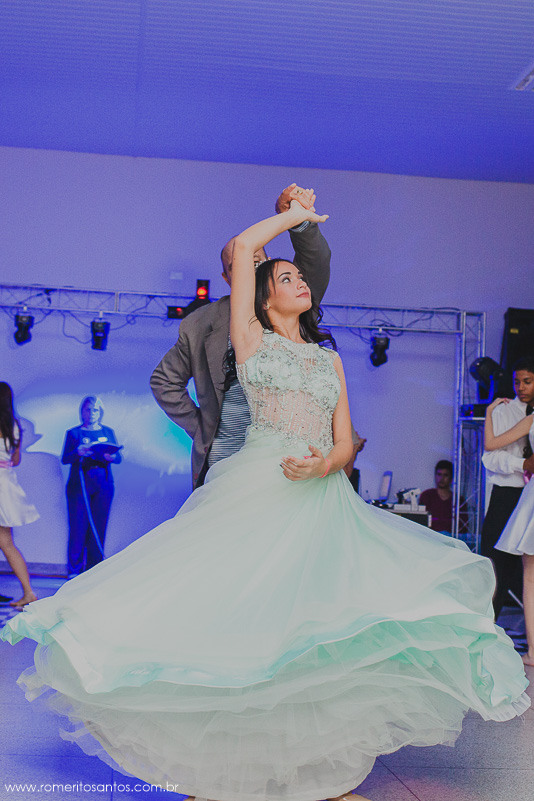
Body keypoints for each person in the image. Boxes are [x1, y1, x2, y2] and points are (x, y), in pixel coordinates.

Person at [1, 200, 529, 801]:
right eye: (286, 277)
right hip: (257, 487)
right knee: (242, 623)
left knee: (313, 633)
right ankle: (211, 770)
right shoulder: (250, 339)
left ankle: (320, 771)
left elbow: (344, 442)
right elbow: (244, 247)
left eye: (301, 276)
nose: (300, 281)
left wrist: (323, 465)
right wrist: (292, 216)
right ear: (262, 295)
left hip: (322, 498)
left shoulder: (329, 357)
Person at [150, 184, 331, 489]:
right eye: (241, 264)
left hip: (288, 461)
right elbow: (163, 381)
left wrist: (298, 220)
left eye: (259, 260)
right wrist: (203, 428)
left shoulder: (291, 303)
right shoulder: (200, 324)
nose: (252, 267)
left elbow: (316, 261)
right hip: (227, 462)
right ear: (226, 277)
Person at [484, 368, 534, 666]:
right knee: (498, 565)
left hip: (528, 494)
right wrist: (522, 464)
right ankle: (487, 628)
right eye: (517, 382)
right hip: (511, 492)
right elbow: (489, 451)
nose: (521, 387)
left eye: (527, 381)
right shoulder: (507, 411)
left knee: (527, 572)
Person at [61, 396, 122, 575]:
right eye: (88, 409)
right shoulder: (74, 433)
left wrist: (112, 457)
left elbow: (118, 457)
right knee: (78, 527)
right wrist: (77, 452)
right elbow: (65, 458)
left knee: (98, 526)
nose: (92, 413)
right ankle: (74, 571)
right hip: (80, 484)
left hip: (103, 484)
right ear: (82, 412)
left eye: (95, 410)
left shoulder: (108, 432)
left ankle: (93, 571)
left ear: (100, 412)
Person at [0, 382, 38, 607]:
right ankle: (28, 592)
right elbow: (15, 460)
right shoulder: (14, 426)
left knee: (5, 543)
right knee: (6, 543)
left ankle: (29, 593)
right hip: (6, 483)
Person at [419, 459, 468, 534]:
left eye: (445, 475)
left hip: (450, 537)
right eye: (439, 474)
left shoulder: (458, 500)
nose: (442, 478)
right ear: (435, 476)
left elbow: (463, 526)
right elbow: (420, 521)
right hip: (429, 536)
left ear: (451, 478)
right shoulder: (427, 495)